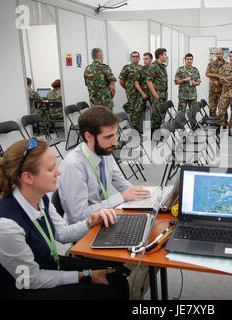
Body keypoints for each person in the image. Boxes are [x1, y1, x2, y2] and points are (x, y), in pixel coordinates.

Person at [0, 138, 129, 300]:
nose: (58, 172)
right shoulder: (4, 227)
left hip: (49, 265)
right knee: (107, 294)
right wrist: (86, 275)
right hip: (23, 290)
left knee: (117, 279)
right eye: (51, 169)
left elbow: (63, 234)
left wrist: (91, 222)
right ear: (28, 177)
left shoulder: (39, 198)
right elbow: (32, 279)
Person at [57, 107, 151, 299]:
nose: (115, 142)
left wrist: (149, 196)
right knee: (146, 257)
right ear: (88, 136)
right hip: (88, 234)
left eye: (115, 135)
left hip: (106, 221)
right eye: (108, 137)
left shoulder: (104, 153)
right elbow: (80, 217)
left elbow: (124, 185)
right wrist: (122, 197)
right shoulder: (74, 166)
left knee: (151, 238)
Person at [119, 51, 146, 130]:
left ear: (139, 58)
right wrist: (128, 88)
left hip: (140, 93)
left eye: (137, 56)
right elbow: (121, 81)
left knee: (139, 111)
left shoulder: (142, 68)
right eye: (134, 56)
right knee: (133, 110)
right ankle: (132, 128)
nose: (135, 58)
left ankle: (136, 128)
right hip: (131, 93)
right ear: (131, 58)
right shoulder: (127, 68)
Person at [174, 53, 201, 125]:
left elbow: (199, 82)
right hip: (183, 96)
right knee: (181, 113)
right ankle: (180, 129)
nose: (189, 61)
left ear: (192, 60)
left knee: (193, 113)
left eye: (190, 59)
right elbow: (176, 82)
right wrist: (184, 80)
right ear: (185, 60)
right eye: (187, 59)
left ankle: (193, 128)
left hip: (192, 96)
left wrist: (195, 83)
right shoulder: (180, 70)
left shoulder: (195, 70)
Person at [146, 48, 168, 133]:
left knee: (161, 115)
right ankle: (153, 134)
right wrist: (154, 93)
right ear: (160, 56)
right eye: (165, 54)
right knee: (155, 115)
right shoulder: (153, 66)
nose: (166, 56)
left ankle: (158, 133)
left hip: (163, 95)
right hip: (157, 95)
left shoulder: (162, 66)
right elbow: (149, 80)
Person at [206, 48, 228, 117]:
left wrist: (219, 79)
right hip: (213, 90)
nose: (218, 55)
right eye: (217, 54)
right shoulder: (211, 64)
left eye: (220, 54)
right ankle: (213, 125)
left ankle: (224, 124)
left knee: (223, 108)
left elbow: (228, 76)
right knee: (212, 108)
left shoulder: (227, 64)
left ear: (223, 54)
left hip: (223, 90)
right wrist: (216, 75)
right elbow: (207, 74)